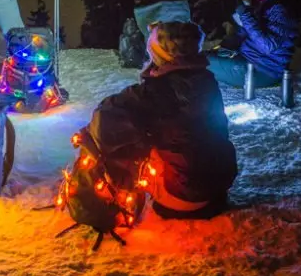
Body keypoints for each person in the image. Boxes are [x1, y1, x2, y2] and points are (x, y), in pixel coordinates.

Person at [84, 21, 238, 219]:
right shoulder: (207, 80)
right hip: (217, 189)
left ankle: (116, 191)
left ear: (159, 55)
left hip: (182, 196)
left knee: (124, 136)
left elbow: (105, 119)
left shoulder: (153, 91)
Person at [207, 0, 297, 88]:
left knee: (201, 62)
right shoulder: (266, 3)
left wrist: (245, 15)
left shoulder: (281, 9)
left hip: (263, 71)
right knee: (206, 56)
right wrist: (230, 43)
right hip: (250, 61)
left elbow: (268, 45)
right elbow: (252, 32)